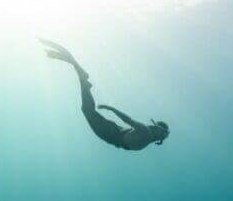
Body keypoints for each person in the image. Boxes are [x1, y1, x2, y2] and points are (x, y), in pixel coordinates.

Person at [40, 38, 169, 151]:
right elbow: (128, 122)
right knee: (87, 110)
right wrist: (111, 109)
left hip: (114, 135)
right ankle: (82, 78)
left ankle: (82, 78)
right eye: (154, 124)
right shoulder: (146, 132)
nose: (151, 125)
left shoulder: (147, 133)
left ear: (159, 132)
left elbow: (128, 120)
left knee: (87, 110)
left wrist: (111, 109)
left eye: (155, 125)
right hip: (113, 134)